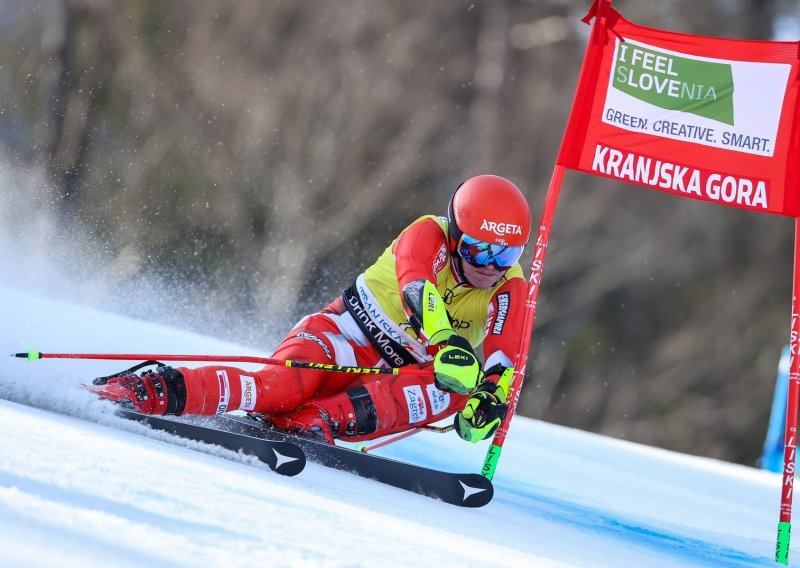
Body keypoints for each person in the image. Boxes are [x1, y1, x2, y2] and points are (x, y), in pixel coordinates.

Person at [90, 174, 531, 445]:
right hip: (342, 338)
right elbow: (416, 284)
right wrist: (444, 338)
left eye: (505, 256)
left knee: (455, 385)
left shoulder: (509, 287)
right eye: (479, 251)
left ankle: (313, 423)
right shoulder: (427, 233)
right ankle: (156, 389)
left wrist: (489, 401)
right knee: (278, 388)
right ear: (455, 235)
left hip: (387, 380)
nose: (490, 267)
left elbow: (503, 355)